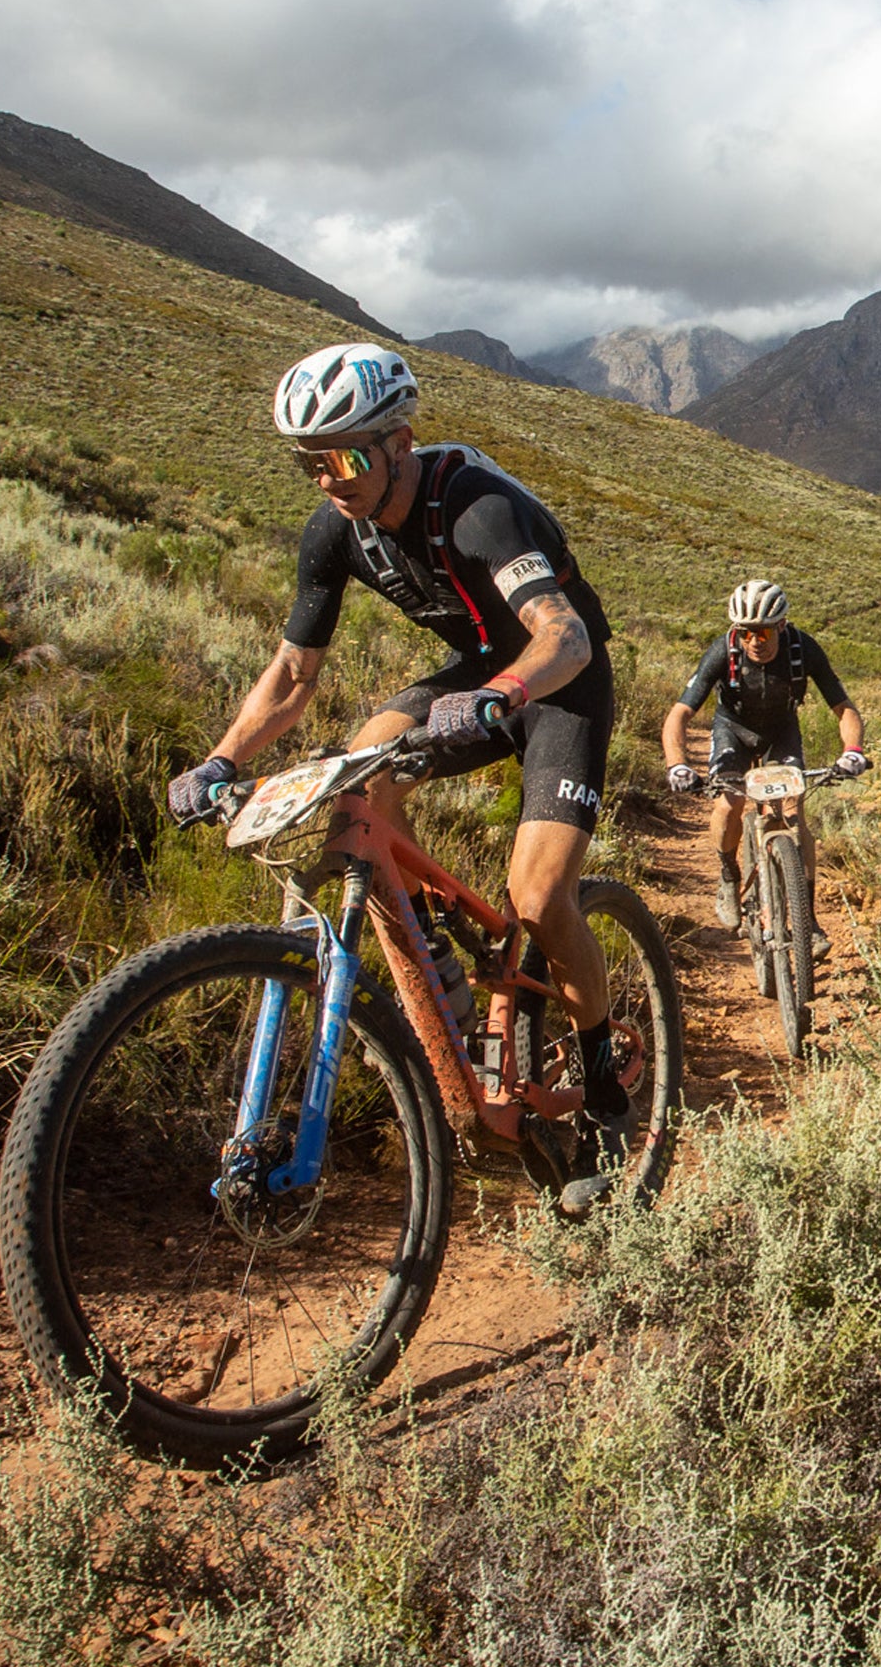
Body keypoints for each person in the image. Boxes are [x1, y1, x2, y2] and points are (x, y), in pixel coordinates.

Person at [166, 341, 630, 1172]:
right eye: (308, 462)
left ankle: (600, 1072)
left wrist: (506, 696)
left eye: (342, 456)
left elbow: (562, 635)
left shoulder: (478, 508)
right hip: (475, 679)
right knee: (360, 769)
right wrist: (220, 762)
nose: (326, 479)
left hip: (559, 682)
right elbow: (291, 673)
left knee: (537, 895)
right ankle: (432, 958)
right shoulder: (335, 532)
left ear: (399, 442)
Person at [660, 579, 867, 937]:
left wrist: (853, 752)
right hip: (733, 730)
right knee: (729, 804)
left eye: (765, 633)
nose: (755, 641)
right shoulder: (723, 651)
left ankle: (807, 919)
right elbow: (679, 714)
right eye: (746, 633)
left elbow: (844, 708)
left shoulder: (804, 649)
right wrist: (676, 763)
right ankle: (728, 877)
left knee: (793, 812)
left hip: (780, 731)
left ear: (782, 626)